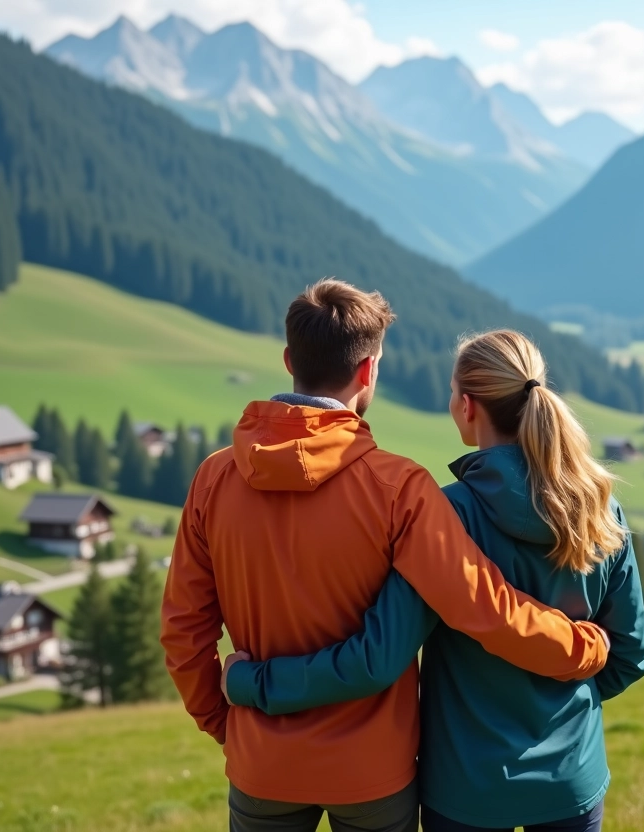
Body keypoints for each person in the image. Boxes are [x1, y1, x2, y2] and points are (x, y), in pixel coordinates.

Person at [161, 282, 613, 832]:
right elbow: (485, 608)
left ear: (288, 361)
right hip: (373, 775)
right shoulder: (399, 488)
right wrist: (581, 648)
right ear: (369, 371)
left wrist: (228, 723)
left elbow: (184, 631)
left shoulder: (214, 479)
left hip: (261, 763)